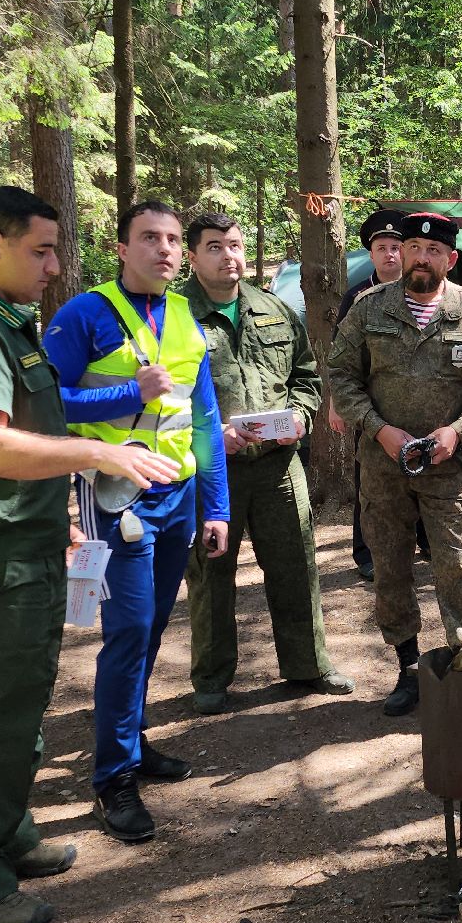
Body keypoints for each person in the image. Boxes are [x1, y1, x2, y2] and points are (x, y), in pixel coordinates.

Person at [0, 186, 181, 923]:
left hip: (27, 545)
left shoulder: (6, 322)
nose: (56, 266)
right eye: (40, 250)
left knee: (24, 709)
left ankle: (8, 834)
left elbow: (38, 418)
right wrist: (101, 450)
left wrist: (59, 516)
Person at [44, 199, 230, 844]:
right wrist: (127, 392)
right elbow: (43, 405)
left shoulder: (184, 316)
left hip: (177, 496)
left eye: (174, 240)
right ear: (121, 249)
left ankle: (133, 740)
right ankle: (113, 780)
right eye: (149, 238)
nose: (165, 250)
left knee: (151, 629)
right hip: (114, 496)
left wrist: (217, 505)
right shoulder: (85, 314)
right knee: (126, 633)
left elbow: (204, 419)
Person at [328, 212, 462, 717]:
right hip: (383, 466)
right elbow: (341, 377)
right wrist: (380, 429)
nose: (421, 257)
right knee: (390, 568)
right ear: (402, 253)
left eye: (434, 251)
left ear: (450, 259)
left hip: (447, 469)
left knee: (456, 565)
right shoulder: (368, 309)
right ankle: (408, 667)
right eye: (413, 247)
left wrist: (457, 431)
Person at [180, 210, 354, 714]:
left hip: (279, 466)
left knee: (296, 566)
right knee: (211, 573)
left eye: (234, 245)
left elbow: (305, 374)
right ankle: (211, 676)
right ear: (192, 258)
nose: (228, 255)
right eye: (214, 247)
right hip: (212, 472)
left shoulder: (274, 309)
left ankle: (308, 664)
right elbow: (162, 400)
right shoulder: (174, 318)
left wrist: (300, 415)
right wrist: (206, 440)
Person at [327, 208, 424, 579]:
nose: (390, 254)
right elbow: (340, 356)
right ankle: (366, 552)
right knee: (369, 476)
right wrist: (336, 404)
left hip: (419, 398)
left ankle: (425, 542)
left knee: (424, 470)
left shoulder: (424, 288)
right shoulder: (357, 297)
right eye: (382, 247)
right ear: (371, 254)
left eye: (397, 247)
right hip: (370, 404)